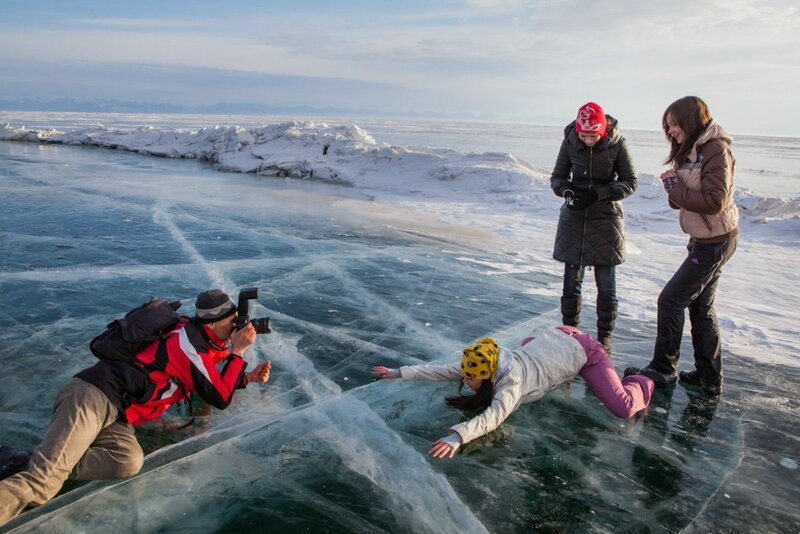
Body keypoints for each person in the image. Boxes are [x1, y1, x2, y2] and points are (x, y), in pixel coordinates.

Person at [0, 289, 272, 526]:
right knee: (43, 484)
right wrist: (238, 353)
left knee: (128, 461)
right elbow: (218, 398)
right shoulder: (187, 345)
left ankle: (39, 462)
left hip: (117, 413)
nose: (238, 328)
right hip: (93, 396)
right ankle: (45, 468)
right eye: (232, 323)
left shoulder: (202, 339)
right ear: (212, 325)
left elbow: (207, 381)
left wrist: (246, 378)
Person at [372, 325, 659, 459]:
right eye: (468, 376)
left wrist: (457, 436)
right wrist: (399, 372)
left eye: (472, 379)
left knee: (622, 407)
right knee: (531, 353)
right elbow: (444, 370)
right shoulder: (486, 363)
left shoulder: (512, 382)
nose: (466, 380)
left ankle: (641, 381)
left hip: (581, 349)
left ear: (487, 375)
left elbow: (494, 417)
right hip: (549, 338)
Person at [625, 96, 739, 396]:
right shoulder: (693, 151)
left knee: (671, 300)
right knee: (701, 308)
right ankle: (708, 376)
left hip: (714, 242)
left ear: (691, 120)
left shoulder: (716, 149)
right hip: (705, 239)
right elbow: (683, 202)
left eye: (674, 124)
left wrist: (676, 188)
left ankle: (664, 369)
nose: (670, 130)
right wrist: (672, 188)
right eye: (667, 125)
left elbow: (715, 202)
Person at [550, 102, 638, 353]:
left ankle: (604, 338)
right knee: (571, 282)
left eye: (593, 136)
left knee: (606, 284)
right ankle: (570, 332)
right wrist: (566, 191)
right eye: (583, 135)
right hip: (574, 218)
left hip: (605, 218)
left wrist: (599, 194)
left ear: (602, 132)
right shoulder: (569, 142)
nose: (588, 140)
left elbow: (630, 182)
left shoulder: (618, 144)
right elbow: (557, 177)